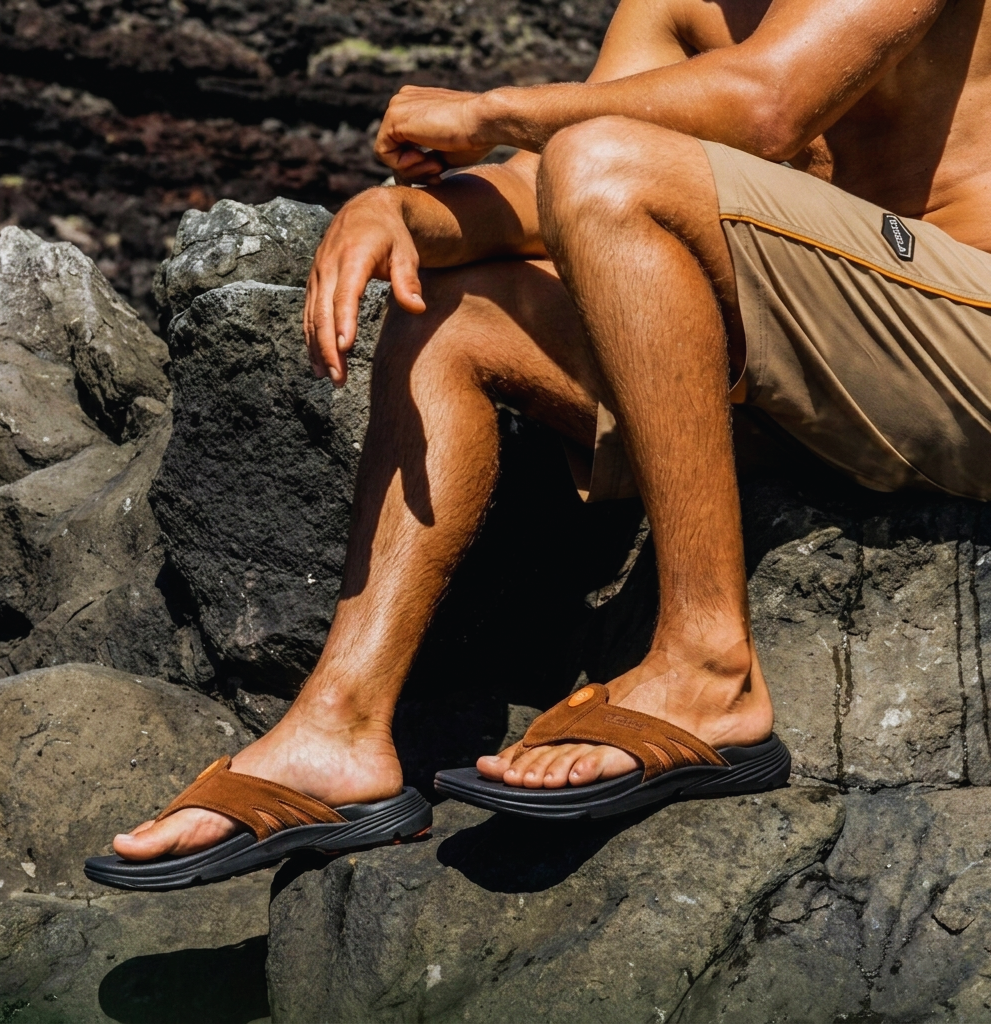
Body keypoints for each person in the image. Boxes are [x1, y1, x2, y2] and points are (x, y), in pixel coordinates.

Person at [85, 0, 991, 887]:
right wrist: (403, 214)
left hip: (963, 361)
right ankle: (338, 728)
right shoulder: (675, 6)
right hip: (813, 379)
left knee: (606, 161)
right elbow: (540, 187)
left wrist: (488, 111)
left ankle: (708, 665)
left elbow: (766, 104)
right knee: (450, 309)